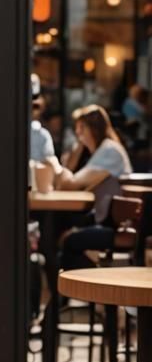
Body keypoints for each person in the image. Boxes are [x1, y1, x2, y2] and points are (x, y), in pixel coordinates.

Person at [54, 104, 133, 271]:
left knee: (68, 241)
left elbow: (69, 185)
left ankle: (81, 286)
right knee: (63, 234)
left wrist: (66, 160)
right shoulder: (104, 150)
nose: (78, 133)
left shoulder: (109, 151)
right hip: (109, 220)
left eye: (81, 128)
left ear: (93, 129)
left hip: (118, 225)